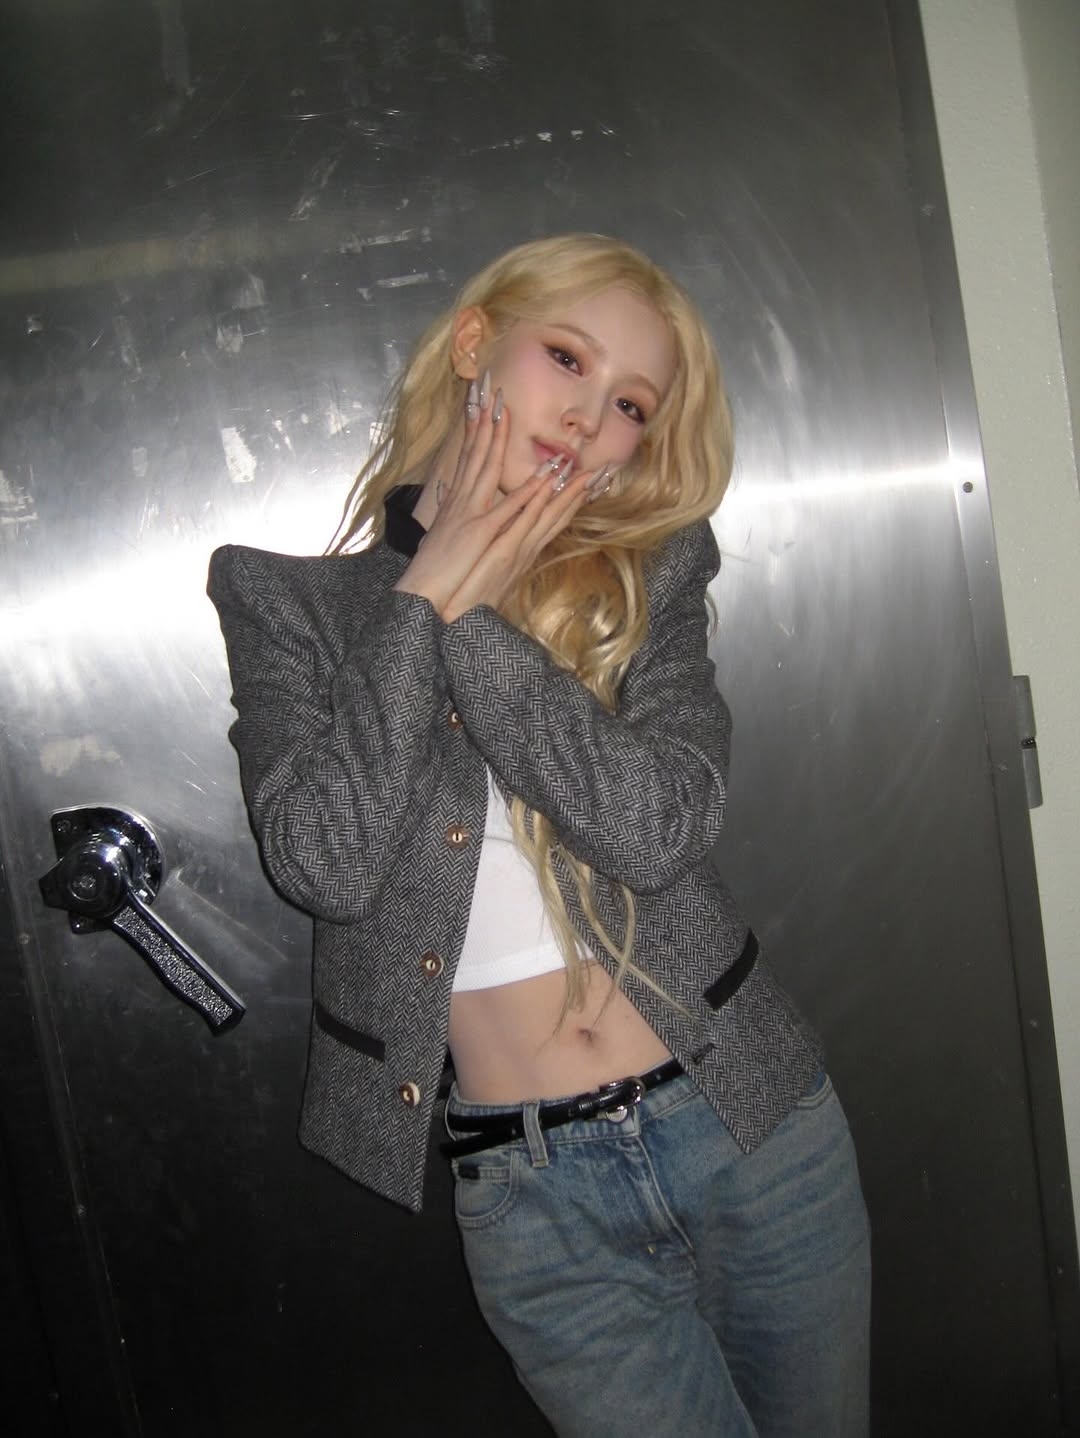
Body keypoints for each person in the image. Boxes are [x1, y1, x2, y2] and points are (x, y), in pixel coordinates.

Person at [208, 233, 870, 1437]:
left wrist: (470, 621)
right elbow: (327, 861)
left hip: (750, 1127)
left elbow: (657, 828)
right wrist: (421, 596)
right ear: (477, 344)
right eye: (566, 357)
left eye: (630, 404)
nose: (587, 416)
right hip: (537, 1200)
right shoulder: (286, 603)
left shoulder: (650, 574)